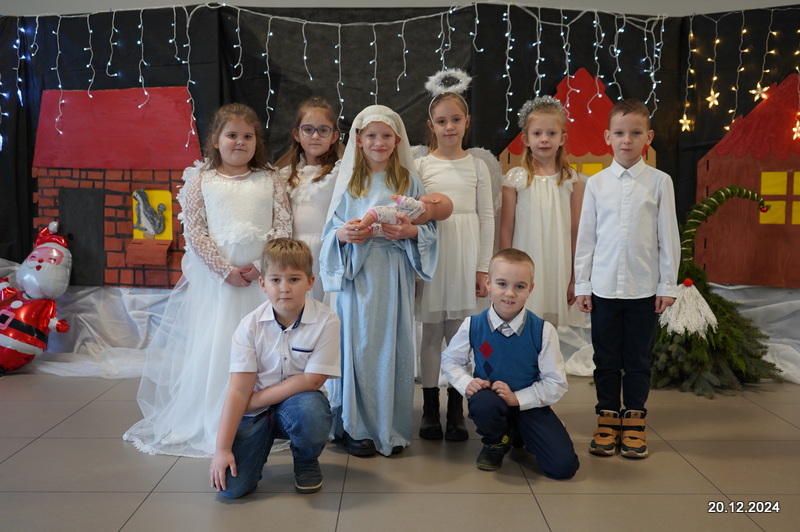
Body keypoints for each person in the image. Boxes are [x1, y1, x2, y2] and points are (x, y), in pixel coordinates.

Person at [124, 103, 292, 457]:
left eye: (248, 136)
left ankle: (265, 417)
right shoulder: (201, 181)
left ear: (257, 141)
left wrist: (260, 266)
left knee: (263, 345)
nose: (240, 142)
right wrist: (224, 270)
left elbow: (282, 226)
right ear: (215, 140)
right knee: (221, 344)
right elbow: (196, 233)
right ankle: (216, 416)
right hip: (220, 283)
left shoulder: (270, 179)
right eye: (232, 135)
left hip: (261, 279)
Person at [319, 104, 439, 457]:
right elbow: (331, 231)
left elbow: (428, 226)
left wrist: (410, 231)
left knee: (390, 344)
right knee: (358, 345)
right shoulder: (349, 181)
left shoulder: (408, 180)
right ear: (359, 140)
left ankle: (388, 425)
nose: (379, 142)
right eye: (371, 135)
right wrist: (344, 235)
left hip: (393, 273)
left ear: (397, 140)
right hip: (357, 277)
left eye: (386, 135)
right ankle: (354, 426)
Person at [574, 99, 680, 459]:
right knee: (605, 358)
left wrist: (667, 285)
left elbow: (668, 237)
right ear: (608, 137)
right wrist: (583, 283)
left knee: (637, 358)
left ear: (648, 137)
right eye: (619, 133)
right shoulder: (596, 184)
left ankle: (634, 419)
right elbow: (586, 238)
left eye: (635, 133)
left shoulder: (660, 183)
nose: (627, 140)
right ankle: (607, 417)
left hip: (643, 289)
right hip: (603, 288)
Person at [210, 238, 340, 498]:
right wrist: (221, 450)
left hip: (297, 406)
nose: (284, 289)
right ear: (262, 284)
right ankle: (258, 443)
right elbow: (238, 391)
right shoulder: (249, 326)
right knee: (232, 489)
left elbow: (312, 380)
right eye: (275, 280)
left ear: (310, 282)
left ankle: (305, 459)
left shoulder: (327, 321)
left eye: (294, 279)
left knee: (311, 412)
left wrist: (254, 400)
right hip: (256, 413)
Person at [441, 248, 579, 478]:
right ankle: (496, 441)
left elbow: (555, 382)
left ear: (530, 289)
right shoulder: (473, 325)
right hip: (491, 400)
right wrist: (467, 383)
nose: (510, 293)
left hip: (529, 403)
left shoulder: (542, 330)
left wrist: (518, 398)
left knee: (563, 467)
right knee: (483, 403)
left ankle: (519, 433)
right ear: (488, 283)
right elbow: (450, 359)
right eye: (502, 284)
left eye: (520, 286)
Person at [415, 84, 495, 442]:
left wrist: (482, 267)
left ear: (467, 122)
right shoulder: (421, 165)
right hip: (435, 254)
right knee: (432, 332)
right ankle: (430, 408)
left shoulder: (477, 166)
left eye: (456, 120)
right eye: (442, 121)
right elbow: (415, 215)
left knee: (461, 335)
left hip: (466, 255)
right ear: (431, 125)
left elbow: (486, 217)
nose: (449, 127)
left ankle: (456, 408)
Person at [499, 95, 586, 328]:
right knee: (522, 320)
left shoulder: (571, 179)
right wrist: (504, 270)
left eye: (551, 133)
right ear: (526, 139)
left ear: (562, 138)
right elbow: (506, 228)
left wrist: (576, 278)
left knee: (551, 327)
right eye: (537, 133)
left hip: (558, 262)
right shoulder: (515, 179)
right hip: (525, 258)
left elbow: (576, 229)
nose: (544, 139)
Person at [278, 96, 342, 301]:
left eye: (323, 130)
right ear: (297, 134)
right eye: (308, 129)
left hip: (328, 251)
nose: (315, 136)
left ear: (334, 136)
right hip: (294, 252)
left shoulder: (340, 173)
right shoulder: (284, 176)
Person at [360, 192, 453, 237]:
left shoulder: (422, 206)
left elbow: (410, 203)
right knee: (381, 231)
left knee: (376, 211)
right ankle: (370, 232)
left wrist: (399, 198)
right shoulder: (424, 220)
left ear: (435, 200)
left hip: (396, 215)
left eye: (430, 194)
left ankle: (361, 226)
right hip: (399, 226)